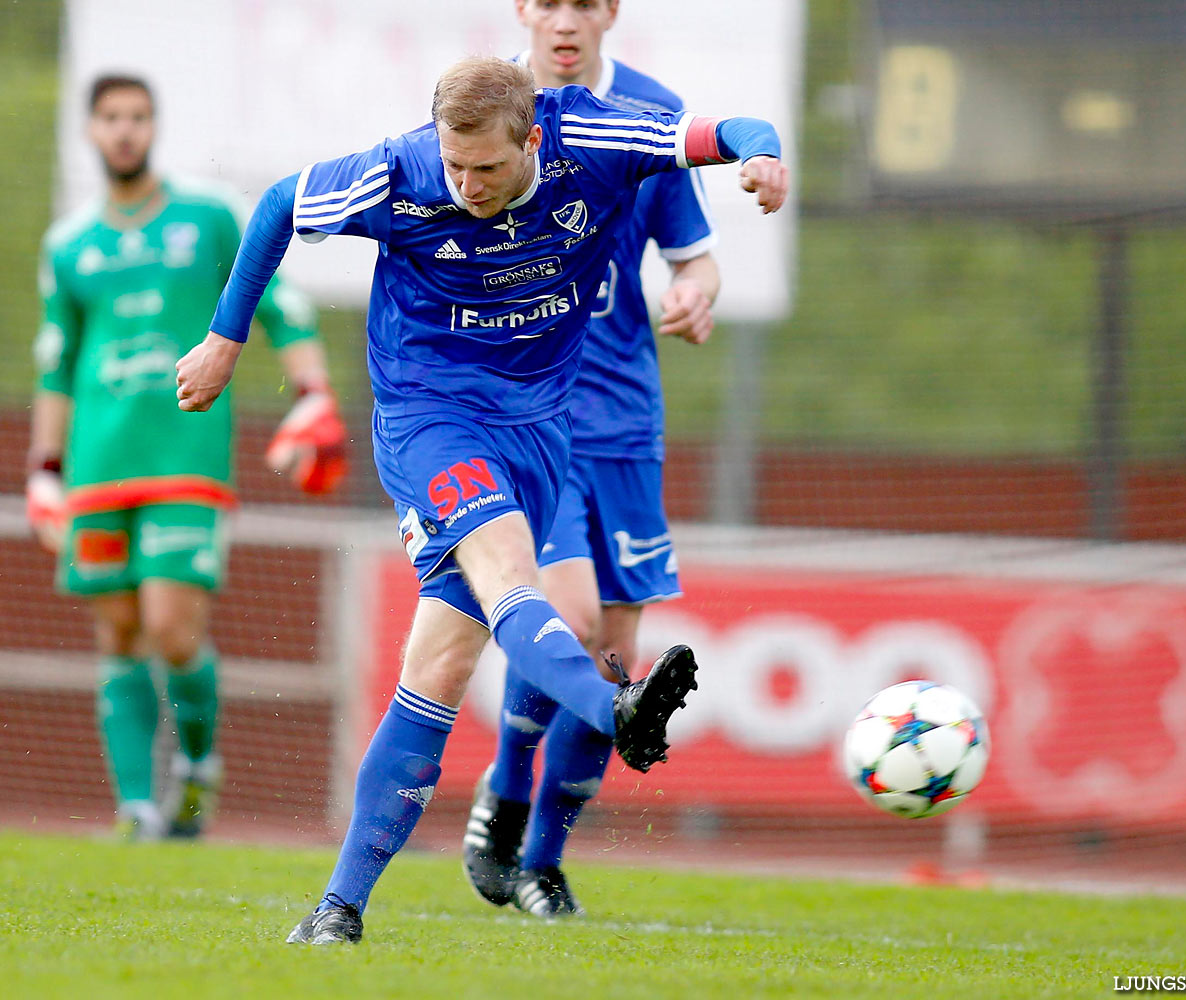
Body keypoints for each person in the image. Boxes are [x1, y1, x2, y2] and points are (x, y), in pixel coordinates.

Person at [175, 55, 787, 945]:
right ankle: (609, 708)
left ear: (534, 138)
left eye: (487, 169)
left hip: (540, 432)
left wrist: (762, 158)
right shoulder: (401, 170)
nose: (465, 185)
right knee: (510, 575)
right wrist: (226, 341)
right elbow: (277, 204)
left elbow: (721, 134)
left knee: (440, 669)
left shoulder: (594, 137)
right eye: (453, 165)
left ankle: (337, 910)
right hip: (431, 417)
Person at [26, 74, 346, 842]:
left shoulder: (206, 217)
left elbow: (277, 302)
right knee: (118, 632)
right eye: (111, 119)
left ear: (153, 126)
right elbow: (55, 364)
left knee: (173, 628)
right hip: (98, 466)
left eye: (137, 117)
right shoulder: (69, 245)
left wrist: (313, 391)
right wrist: (44, 469)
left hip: (185, 458)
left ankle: (197, 767)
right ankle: (136, 807)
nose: (125, 131)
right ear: (92, 131)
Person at [461, 0, 721, 920]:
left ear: (609, 11)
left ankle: (543, 864)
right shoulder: (491, 109)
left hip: (627, 427)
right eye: (550, 1)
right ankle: (504, 787)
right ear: (524, 10)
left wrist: (695, 294)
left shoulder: (651, 118)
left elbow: (696, 259)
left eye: (585, 1)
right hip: (536, 416)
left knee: (616, 661)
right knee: (564, 618)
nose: (566, 18)